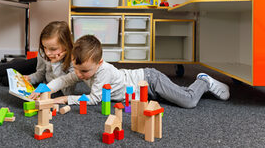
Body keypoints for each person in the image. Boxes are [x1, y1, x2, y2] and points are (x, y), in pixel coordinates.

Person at [44, 35, 230, 109]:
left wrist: (61, 99)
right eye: (77, 69)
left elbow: (94, 99)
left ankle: (203, 81)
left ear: (99, 63)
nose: (80, 75)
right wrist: (47, 90)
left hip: (149, 80)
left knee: (188, 101)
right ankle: (195, 87)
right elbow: (65, 80)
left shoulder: (104, 71)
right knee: (173, 96)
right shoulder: (82, 69)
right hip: (142, 93)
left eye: (84, 71)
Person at [0, 21, 76, 96]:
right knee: (0, 70)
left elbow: (67, 91)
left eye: (53, 49)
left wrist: (55, 63)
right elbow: (41, 73)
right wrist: (29, 78)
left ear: (66, 45)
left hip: (48, 72)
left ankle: (18, 63)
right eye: (44, 47)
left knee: (5, 80)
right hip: (39, 62)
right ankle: (18, 62)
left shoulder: (74, 60)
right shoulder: (43, 52)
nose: (47, 52)